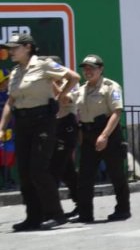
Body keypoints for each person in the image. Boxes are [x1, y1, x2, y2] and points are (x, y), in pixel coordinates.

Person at [0, 32, 80, 231]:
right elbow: (11, 101)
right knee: (25, 172)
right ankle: (33, 217)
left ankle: (56, 214)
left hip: (43, 122)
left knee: (38, 170)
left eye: (15, 47)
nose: (11, 51)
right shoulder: (16, 71)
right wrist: (2, 126)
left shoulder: (43, 64)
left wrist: (61, 95)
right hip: (22, 123)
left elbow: (73, 77)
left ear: (27, 47)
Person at [73, 54, 131, 222]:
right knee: (85, 177)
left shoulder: (111, 87)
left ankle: (123, 209)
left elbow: (116, 112)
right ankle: (85, 214)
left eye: (91, 68)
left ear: (100, 69)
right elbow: (68, 101)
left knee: (116, 174)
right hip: (88, 135)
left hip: (108, 133)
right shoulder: (81, 89)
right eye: (85, 68)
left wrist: (104, 135)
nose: (88, 71)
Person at [47, 55, 81, 217]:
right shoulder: (47, 84)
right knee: (67, 171)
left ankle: (51, 211)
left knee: (53, 170)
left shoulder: (71, 84)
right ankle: (82, 202)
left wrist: (51, 82)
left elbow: (65, 100)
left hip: (67, 126)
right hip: (53, 127)